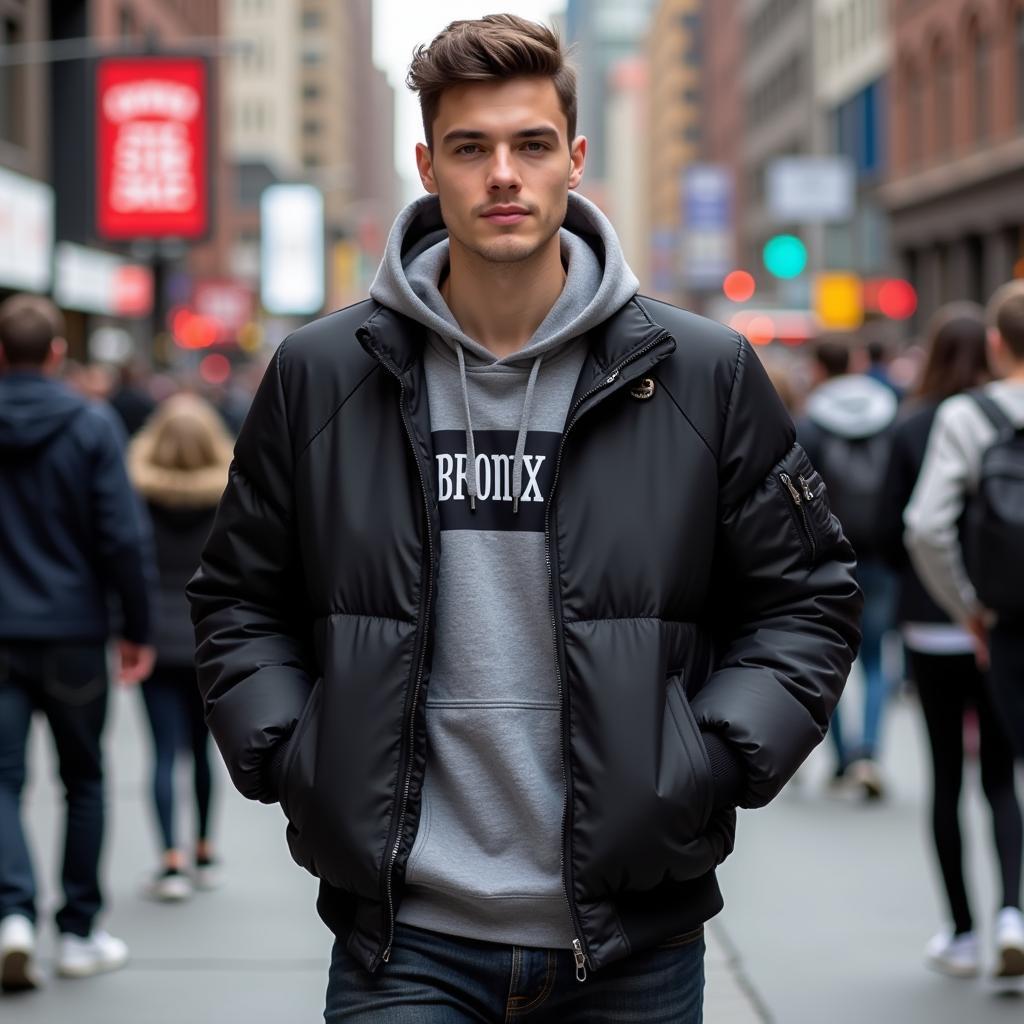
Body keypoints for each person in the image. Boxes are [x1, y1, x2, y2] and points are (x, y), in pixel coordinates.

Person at [187, 16, 861, 1022]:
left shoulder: (699, 374)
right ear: (427, 165)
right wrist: (296, 754)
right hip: (402, 939)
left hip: (631, 941)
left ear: (574, 160)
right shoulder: (321, 375)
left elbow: (805, 597)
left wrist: (707, 759)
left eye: (531, 144)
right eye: (470, 148)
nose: (503, 173)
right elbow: (239, 595)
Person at [0, 295, 155, 993]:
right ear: (58, 353)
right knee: (84, 779)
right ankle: (78, 931)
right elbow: (122, 537)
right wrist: (137, 628)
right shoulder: (91, 425)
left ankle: (11, 917)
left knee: (2, 781)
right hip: (73, 632)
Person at [878, 304, 1024, 980]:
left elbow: (915, 526)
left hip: (944, 625)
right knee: (1004, 778)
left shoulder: (943, 420)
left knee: (946, 775)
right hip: (1015, 629)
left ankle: (963, 932)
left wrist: (968, 603)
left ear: (1003, 343)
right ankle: (1013, 915)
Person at [906, 281, 1024, 761]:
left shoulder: (966, 416)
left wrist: (970, 609)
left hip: (1010, 619)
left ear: (996, 342)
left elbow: (926, 527)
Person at [127, 393, 232, 901]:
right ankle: (205, 848)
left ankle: (169, 859)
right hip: (208, 640)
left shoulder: (137, 496)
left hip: (153, 639)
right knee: (203, 752)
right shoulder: (229, 496)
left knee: (163, 754)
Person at [799, 338, 899, 797]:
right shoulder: (888, 413)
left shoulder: (811, 423)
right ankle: (870, 754)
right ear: (855, 361)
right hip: (880, 555)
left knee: (830, 660)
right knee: (878, 660)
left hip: (829, 560)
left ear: (820, 367)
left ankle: (842, 760)